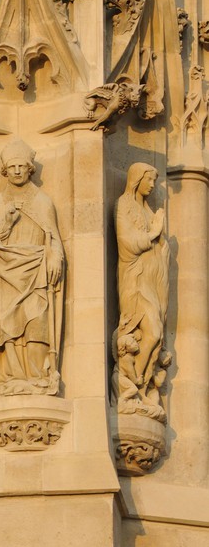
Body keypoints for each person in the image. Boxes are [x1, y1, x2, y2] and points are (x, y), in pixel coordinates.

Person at [0, 141, 65, 395]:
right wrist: (7, 221)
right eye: (12, 167)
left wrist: (55, 257)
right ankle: (11, 377)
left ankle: (37, 376)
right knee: (7, 326)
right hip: (4, 272)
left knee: (36, 321)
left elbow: (53, 236)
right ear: (5, 171)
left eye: (22, 166)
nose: (17, 171)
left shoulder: (42, 200)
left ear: (30, 169)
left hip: (36, 267)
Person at [113, 162, 170, 418]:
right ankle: (133, 382)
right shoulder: (123, 205)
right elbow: (127, 244)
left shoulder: (146, 210)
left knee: (156, 337)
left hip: (152, 281)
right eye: (148, 179)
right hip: (134, 281)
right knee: (152, 331)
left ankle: (143, 387)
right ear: (136, 179)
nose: (152, 185)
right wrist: (155, 231)